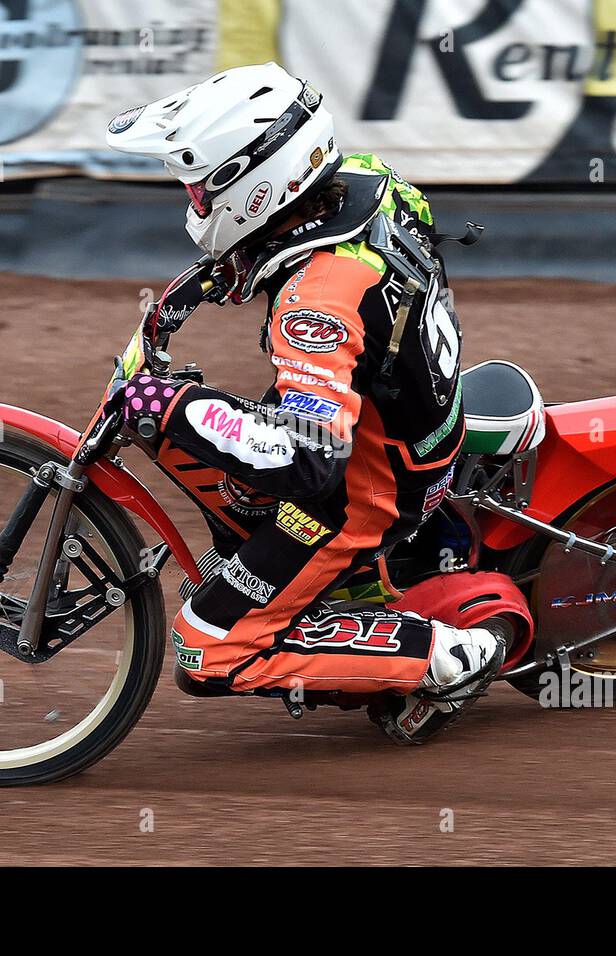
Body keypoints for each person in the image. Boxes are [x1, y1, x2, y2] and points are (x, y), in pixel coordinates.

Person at [104, 62, 514, 742]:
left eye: (203, 187)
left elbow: (307, 465)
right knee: (227, 467)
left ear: (254, 183)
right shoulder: (364, 181)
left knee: (204, 651)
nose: (195, 203)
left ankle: (445, 659)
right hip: (403, 420)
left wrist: (169, 407)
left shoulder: (315, 308)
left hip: (366, 493)